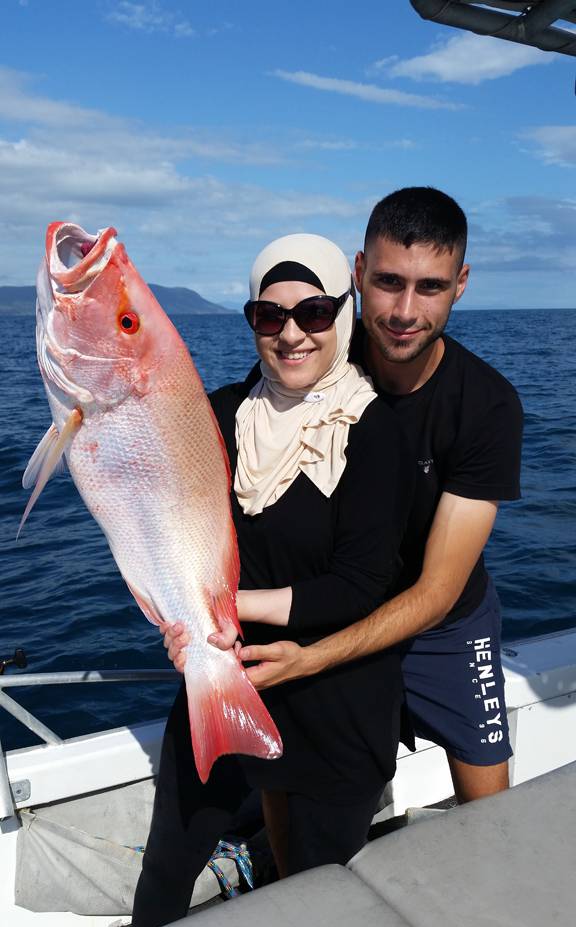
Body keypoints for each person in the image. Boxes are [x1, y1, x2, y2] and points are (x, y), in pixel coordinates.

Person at [170, 187, 523, 806]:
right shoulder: (311, 339)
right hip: (334, 601)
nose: (405, 311)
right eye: (388, 282)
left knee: (489, 793)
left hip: (443, 622)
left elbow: (437, 592)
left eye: (431, 287)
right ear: (357, 275)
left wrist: (310, 660)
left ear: (461, 283)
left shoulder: (486, 407)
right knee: (292, 781)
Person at [132, 233, 414, 927]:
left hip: (333, 699)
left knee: (317, 901)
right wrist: (178, 619)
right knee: (166, 868)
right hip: (221, 676)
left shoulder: (376, 432)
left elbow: (359, 586)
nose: (291, 334)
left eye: (314, 312)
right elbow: (160, 529)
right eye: (269, 315)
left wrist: (222, 610)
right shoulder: (218, 414)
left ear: (344, 313)